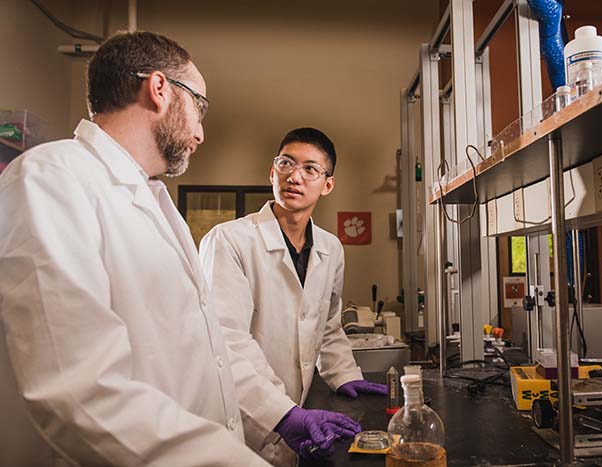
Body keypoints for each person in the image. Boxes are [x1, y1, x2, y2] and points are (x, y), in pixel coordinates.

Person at [0, 32, 355, 467]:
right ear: (160, 89)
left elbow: (210, 351)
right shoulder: (51, 179)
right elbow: (80, 395)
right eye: (199, 108)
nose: (201, 133)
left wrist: (282, 416)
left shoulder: (150, 200)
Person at [199, 128, 388, 418]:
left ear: (327, 185)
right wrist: (281, 413)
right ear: (272, 173)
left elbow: (327, 328)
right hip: (239, 412)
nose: (294, 176)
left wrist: (345, 375)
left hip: (296, 411)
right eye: (285, 164)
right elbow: (226, 339)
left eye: (310, 169)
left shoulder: (331, 248)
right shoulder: (228, 240)